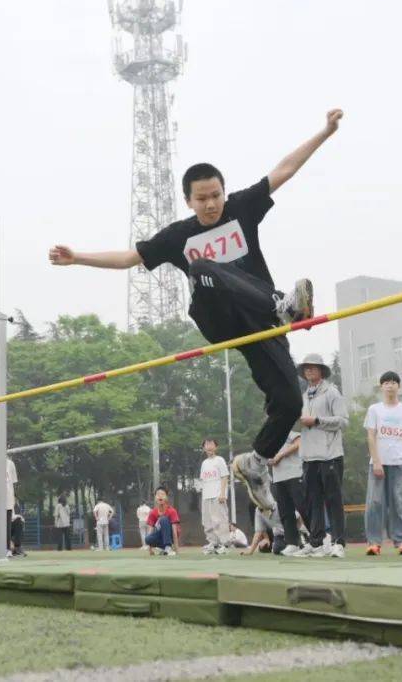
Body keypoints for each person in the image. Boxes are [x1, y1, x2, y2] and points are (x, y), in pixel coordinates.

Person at [48, 110, 344, 517]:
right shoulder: (179, 235)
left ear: (224, 192)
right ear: (189, 200)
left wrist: (325, 132)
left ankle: (255, 464)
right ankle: (283, 306)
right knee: (203, 267)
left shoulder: (242, 208)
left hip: (261, 326)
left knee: (290, 402)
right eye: (201, 199)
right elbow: (130, 257)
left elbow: (285, 169)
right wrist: (78, 257)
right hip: (218, 318)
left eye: (216, 196)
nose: (210, 204)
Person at [295, 353, 349, 558]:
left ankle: (338, 542)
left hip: (330, 455)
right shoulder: (303, 396)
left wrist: (317, 421)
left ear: (321, 371)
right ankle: (316, 542)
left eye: (313, 367)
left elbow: (343, 421)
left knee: (333, 499)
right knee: (313, 501)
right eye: (306, 367)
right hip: (309, 456)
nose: (309, 370)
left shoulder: (331, 392)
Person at [363, 370, 402, 557]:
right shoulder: (374, 409)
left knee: (400, 502)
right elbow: (371, 436)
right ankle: (374, 543)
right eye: (386, 382)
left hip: (400, 462)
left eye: (394, 382)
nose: (390, 385)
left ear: (399, 386)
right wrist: (376, 461)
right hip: (378, 463)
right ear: (381, 386)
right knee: (375, 502)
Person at [268, 430, 308, 556]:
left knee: (303, 507)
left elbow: (299, 443)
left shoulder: (290, 433)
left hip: (295, 474)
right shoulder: (270, 437)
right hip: (278, 477)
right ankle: (292, 543)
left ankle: (318, 539)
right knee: (285, 512)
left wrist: (280, 455)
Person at [199, 438, 231, 554]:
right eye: (206, 444)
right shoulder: (204, 463)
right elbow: (203, 480)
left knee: (220, 520)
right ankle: (213, 543)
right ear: (204, 448)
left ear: (216, 447)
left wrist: (223, 493)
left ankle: (225, 544)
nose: (209, 447)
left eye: (211, 444)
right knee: (207, 521)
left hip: (218, 495)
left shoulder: (220, 460)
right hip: (206, 496)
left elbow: (224, 477)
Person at [145, 488, 180, 556]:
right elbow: (150, 532)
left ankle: (168, 547)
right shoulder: (152, 513)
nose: (160, 496)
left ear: (166, 497)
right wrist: (150, 550)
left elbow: (174, 531)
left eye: (162, 494)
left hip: (171, 536)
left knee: (163, 519)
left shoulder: (172, 511)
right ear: (155, 497)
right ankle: (164, 548)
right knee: (147, 539)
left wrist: (177, 550)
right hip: (161, 535)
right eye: (158, 494)